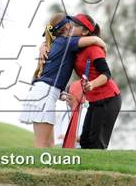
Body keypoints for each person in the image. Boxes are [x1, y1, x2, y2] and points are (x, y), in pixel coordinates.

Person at [19, 13, 107, 148]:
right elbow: (94, 40)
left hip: (45, 93)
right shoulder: (66, 42)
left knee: (49, 143)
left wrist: (60, 94)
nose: (73, 26)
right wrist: (103, 45)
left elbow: (50, 77)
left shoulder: (57, 43)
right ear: (67, 27)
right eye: (72, 24)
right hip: (44, 94)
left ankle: (47, 169)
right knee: (42, 144)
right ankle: (37, 169)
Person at [41, 13, 121, 149]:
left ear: (84, 32)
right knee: (85, 141)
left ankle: (97, 171)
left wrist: (92, 84)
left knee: (96, 143)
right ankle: (83, 170)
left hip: (108, 99)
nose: (71, 26)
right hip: (95, 100)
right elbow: (54, 40)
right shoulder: (74, 47)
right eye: (71, 23)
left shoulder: (93, 49)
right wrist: (43, 46)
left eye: (76, 25)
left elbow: (106, 74)